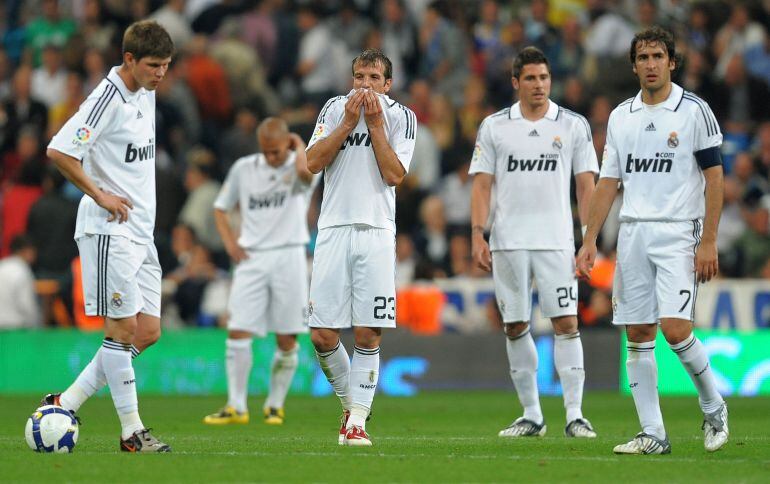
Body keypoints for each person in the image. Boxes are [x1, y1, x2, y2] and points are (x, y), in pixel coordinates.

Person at [577, 26, 729, 455]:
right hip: (633, 232)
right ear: (634, 66)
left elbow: (715, 178)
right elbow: (608, 182)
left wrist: (709, 240)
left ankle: (714, 406)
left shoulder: (694, 111)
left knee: (676, 330)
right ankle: (653, 433)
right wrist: (589, 240)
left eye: (658, 56)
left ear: (672, 63)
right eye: (643, 58)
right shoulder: (621, 116)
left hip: (679, 230)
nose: (650, 64)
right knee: (639, 332)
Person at [44, 20, 174, 453]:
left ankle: (65, 402)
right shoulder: (106, 99)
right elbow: (60, 150)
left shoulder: (146, 92)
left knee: (147, 330)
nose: (160, 74)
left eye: (166, 65)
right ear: (129, 59)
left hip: (141, 233)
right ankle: (131, 432)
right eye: (153, 65)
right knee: (122, 328)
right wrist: (99, 194)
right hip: (109, 231)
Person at [470, 46, 598, 439]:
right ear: (516, 82)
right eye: (530, 78)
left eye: (543, 77)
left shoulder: (572, 125)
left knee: (566, 322)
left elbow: (586, 185)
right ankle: (532, 415)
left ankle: (575, 415)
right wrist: (477, 233)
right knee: (514, 324)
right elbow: (482, 185)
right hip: (508, 241)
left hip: (556, 241)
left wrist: (589, 238)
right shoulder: (495, 126)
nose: (538, 84)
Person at [306, 49, 416, 446]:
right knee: (321, 334)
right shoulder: (335, 108)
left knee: (368, 332)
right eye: (359, 77)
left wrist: (375, 125)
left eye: (373, 78)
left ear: (388, 84)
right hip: (333, 228)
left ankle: (356, 423)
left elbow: (394, 175)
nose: (364, 85)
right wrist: (348, 124)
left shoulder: (403, 117)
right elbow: (312, 162)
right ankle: (352, 406)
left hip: (376, 231)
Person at [203, 117, 316, 426]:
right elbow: (220, 207)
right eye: (265, 151)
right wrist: (230, 243)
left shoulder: (301, 163)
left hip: (289, 254)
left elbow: (307, 176)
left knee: (287, 337)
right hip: (251, 256)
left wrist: (300, 146)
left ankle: (275, 404)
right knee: (238, 329)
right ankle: (236, 405)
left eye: (276, 151)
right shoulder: (244, 168)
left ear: (287, 143)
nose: (270, 157)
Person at [0, 234, 40, 329]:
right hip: (16, 329)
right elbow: (27, 306)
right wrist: (37, 327)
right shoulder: (22, 270)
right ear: (27, 250)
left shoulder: (2, 265)